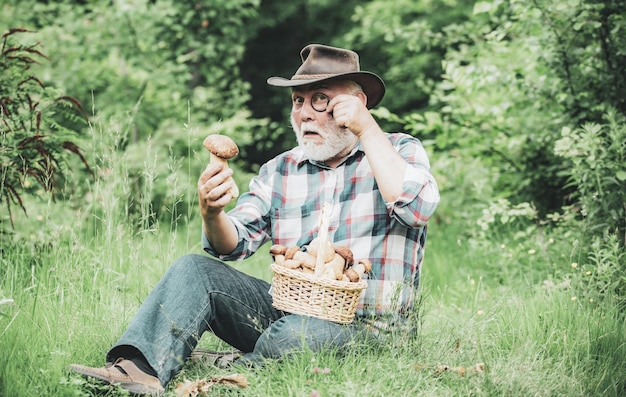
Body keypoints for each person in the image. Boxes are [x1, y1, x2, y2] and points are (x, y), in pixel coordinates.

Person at [70, 44, 440, 395]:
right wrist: (212, 212)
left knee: (296, 335)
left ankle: (236, 367)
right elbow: (231, 245)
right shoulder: (281, 169)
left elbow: (417, 207)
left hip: (367, 330)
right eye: (298, 101)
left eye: (321, 99)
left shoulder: (398, 149)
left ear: (357, 103)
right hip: (286, 312)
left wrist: (367, 128)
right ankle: (138, 369)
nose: (305, 112)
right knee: (193, 270)